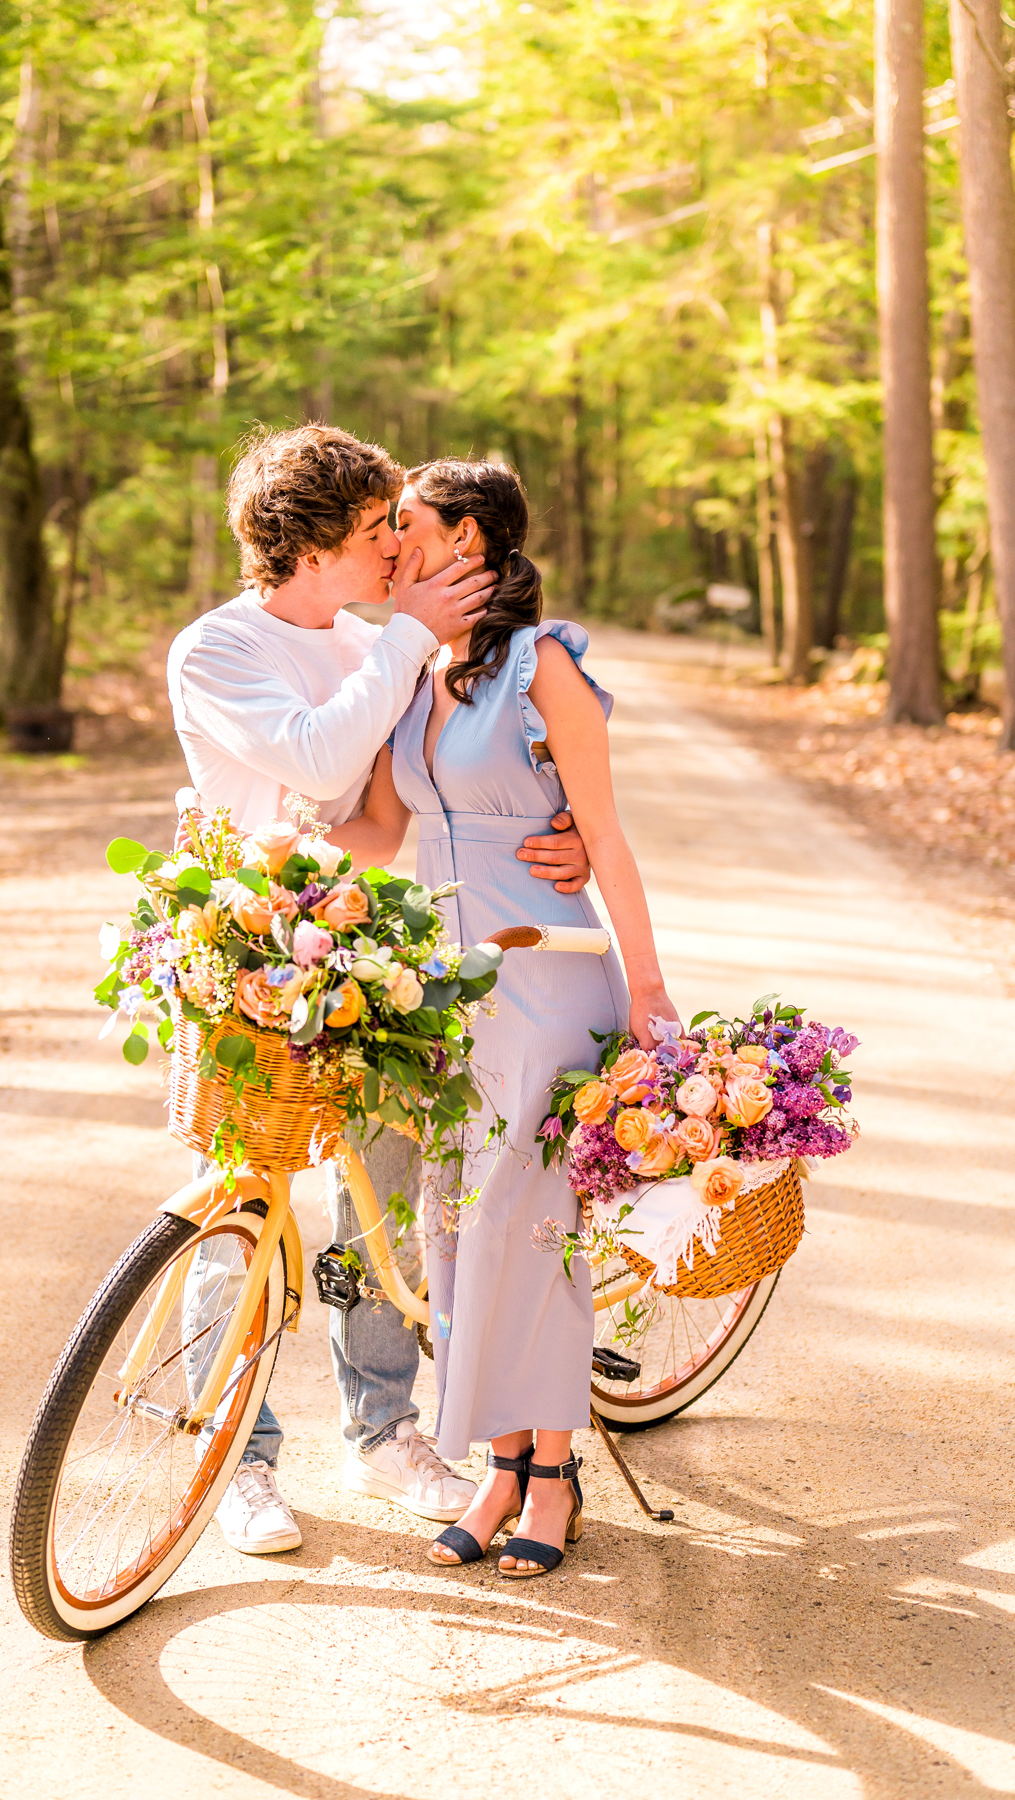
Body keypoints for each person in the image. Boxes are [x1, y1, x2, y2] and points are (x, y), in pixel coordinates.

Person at [165, 425, 594, 1556]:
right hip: (248, 961)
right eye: (374, 530)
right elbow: (316, 758)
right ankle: (235, 1459)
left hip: (367, 956)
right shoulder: (217, 650)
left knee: (384, 1199)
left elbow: (396, 809)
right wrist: (406, 638)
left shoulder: (375, 640)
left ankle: (383, 1429)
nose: (396, 548)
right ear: (311, 545)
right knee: (241, 1202)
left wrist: (565, 831)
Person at [328, 457, 678, 1577]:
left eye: (409, 524)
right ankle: (500, 1461)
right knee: (455, 1227)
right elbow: (378, 832)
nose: (392, 543)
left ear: (468, 538)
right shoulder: (411, 669)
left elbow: (604, 835)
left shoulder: (544, 666)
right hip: (441, 987)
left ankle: (553, 1476)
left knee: (530, 1227)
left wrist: (649, 987)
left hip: (547, 973)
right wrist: (267, 833)